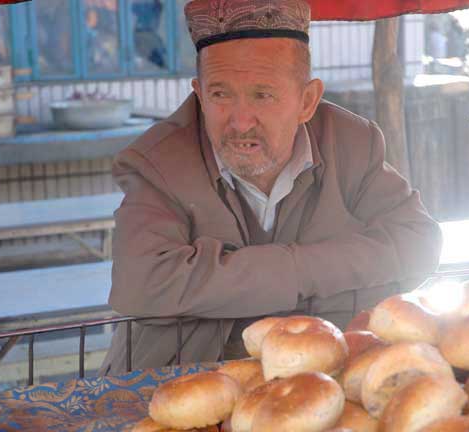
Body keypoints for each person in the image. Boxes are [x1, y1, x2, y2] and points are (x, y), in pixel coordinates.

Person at [100, 0, 442, 376]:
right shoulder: (156, 161)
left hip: (321, 376)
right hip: (179, 382)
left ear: (307, 100)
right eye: (220, 94)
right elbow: (141, 284)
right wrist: (311, 271)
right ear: (199, 94)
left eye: (263, 95)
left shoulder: (351, 143)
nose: (241, 121)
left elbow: (419, 243)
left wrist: (217, 281)